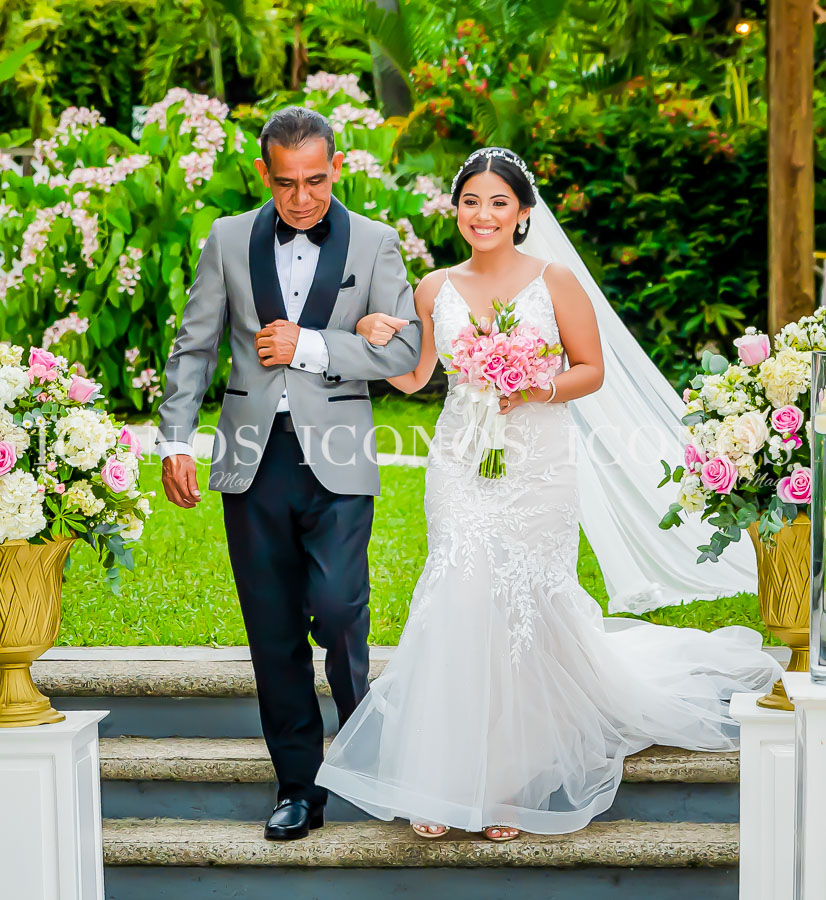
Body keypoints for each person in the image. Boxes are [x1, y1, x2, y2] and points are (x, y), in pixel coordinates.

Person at [315, 147, 781, 841]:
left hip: (538, 460)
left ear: (524, 213)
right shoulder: (433, 288)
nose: (483, 214)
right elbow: (415, 380)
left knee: (523, 602)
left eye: (499, 202)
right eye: (471, 201)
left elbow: (590, 369)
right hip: (459, 460)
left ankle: (506, 782)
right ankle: (444, 778)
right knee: (459, 591)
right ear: (456, 209)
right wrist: (368, 329)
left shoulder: (554, 280)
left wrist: (538, 385)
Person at [155, 106, 422, 841]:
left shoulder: (376, 244)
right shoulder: (227, 238)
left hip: (339, 459)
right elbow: (194, 346)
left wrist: (312, 346)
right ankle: (298, 786)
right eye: (285, 184)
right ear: (264, 173)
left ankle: (364, 749)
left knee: (338, 611)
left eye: (314, 180)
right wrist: (175, 439)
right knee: (273, 630)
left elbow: (406, 354)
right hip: (251, 460)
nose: (301, 199)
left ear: (337, 167)